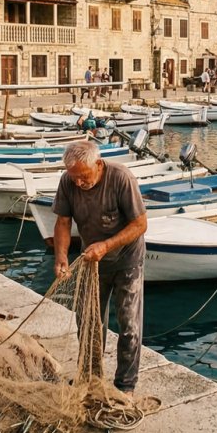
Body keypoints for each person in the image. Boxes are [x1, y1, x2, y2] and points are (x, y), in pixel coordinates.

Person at [51, 140, 147, 394]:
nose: (79, 183)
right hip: (91, 261)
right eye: (75, 179)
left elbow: (140, 224)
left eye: (84, 177)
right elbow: (62, 221)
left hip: (127, 260)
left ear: (99, 165)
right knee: (89, 322)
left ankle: (125, 385)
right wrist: (60, 255)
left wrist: (107, 245)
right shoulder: (67, 181)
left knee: (129, 327)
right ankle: (90, 377)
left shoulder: (121, 178)